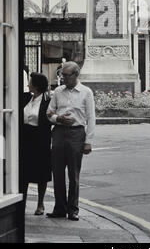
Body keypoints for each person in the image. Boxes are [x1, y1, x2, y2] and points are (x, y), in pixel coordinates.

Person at [46, 61, 95, 221]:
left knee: (74, 174)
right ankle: (59, 207)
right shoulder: (58, 92)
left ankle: (73, 209)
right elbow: (48, 113)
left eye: (66, 75)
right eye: (62, 75)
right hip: (59, 132)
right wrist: (57, 118)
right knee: (58, 173)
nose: (62, 78)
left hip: (76, 134)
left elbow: (91, 118)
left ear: (75, 75)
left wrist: (88, 141)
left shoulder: (86, 92)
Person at [21, 72, 52, 215]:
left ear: (36, 85)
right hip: (25, 139)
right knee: (24, 172)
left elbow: (50, 118)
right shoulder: (26, 98)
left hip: (40, 139)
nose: (28, 84)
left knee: (41, 172)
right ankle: (22, 203)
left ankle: (40, 204)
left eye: (30, 82)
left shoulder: (47, 101)